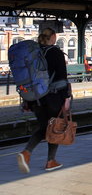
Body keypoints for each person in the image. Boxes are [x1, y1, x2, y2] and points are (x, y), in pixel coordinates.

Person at [17, 27, 72, 173]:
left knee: (43, 127)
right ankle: (50, 161)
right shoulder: (55, 52)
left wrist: (27, 101)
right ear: (53, 37)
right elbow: (62, 76)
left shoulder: (34, 53)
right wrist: (66, 97)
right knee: (56, 127)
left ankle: (27, 152)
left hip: (35, 98)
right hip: (54, 96)